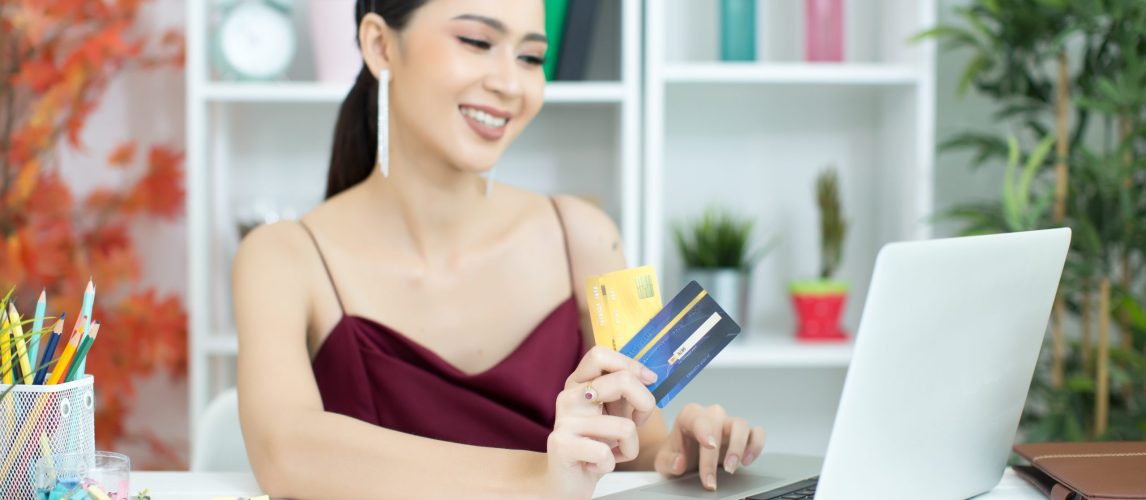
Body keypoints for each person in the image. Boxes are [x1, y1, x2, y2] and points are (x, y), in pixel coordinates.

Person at [231, 0, 766, 497]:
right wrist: (540, 476)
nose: (511, 83)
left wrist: (678, 453)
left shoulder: (588, 236)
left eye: (531, 56)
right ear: (379, 46)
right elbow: (286, 452)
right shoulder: (279, 257)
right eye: (476, 41)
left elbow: (636, 445)